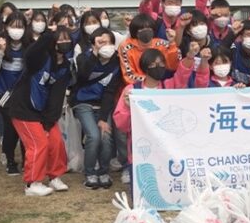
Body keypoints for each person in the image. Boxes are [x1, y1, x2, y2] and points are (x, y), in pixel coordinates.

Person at [113, 47, 204, 184]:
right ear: (145, 67)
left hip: (167, 149)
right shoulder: (132, 90)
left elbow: (182, 76)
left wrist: (190, 57)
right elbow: (121, 124)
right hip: (140, 149)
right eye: (153, 64)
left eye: (161, 63)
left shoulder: (169, 86)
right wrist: (127, 106)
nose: (158, 67)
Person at [6, 24, 73, 196]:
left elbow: (57, 96)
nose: (64, 42)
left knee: (56, 141)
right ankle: (32, 183)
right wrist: (48, 35)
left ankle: (54, 176)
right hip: (23, 108)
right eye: (60, 39)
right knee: (38, 143)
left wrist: (49, 121)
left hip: (43, 111)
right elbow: (30, 53)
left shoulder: (65, 66)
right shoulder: (41, 58)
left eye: (67, 39)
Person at [71, 27, 125, 190]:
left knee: (106, 136)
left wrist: (103, 118)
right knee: (93, 136)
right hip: (83, 103)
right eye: (101, 41)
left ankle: (103, 171)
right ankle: (89, 172)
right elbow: (83, 75)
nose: (105, 45)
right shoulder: (84, 57)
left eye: (108, 42)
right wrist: (95, 53)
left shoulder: (116, 63)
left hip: (103, 105)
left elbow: (110, 91)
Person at [0, 11, 28, 175]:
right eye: (13, 26)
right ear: (6, 27)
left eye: (20, 27)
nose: (16, 30)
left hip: (23, 93)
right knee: (11, 127)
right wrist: (0, 51)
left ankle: (28, 159)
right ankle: (10, 160)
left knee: (25, 125)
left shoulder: (29, 45)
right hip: (3, 93)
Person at [118, 13, 180, 84]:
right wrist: (150, 82)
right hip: (137, 87)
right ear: (135, 31)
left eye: (149, 28)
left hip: (162, 85)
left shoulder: (162, 44)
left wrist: (172, 43)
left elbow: (173, 66)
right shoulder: (126, 46)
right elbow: (128, 76)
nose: (146, 31)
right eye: (141, 29)